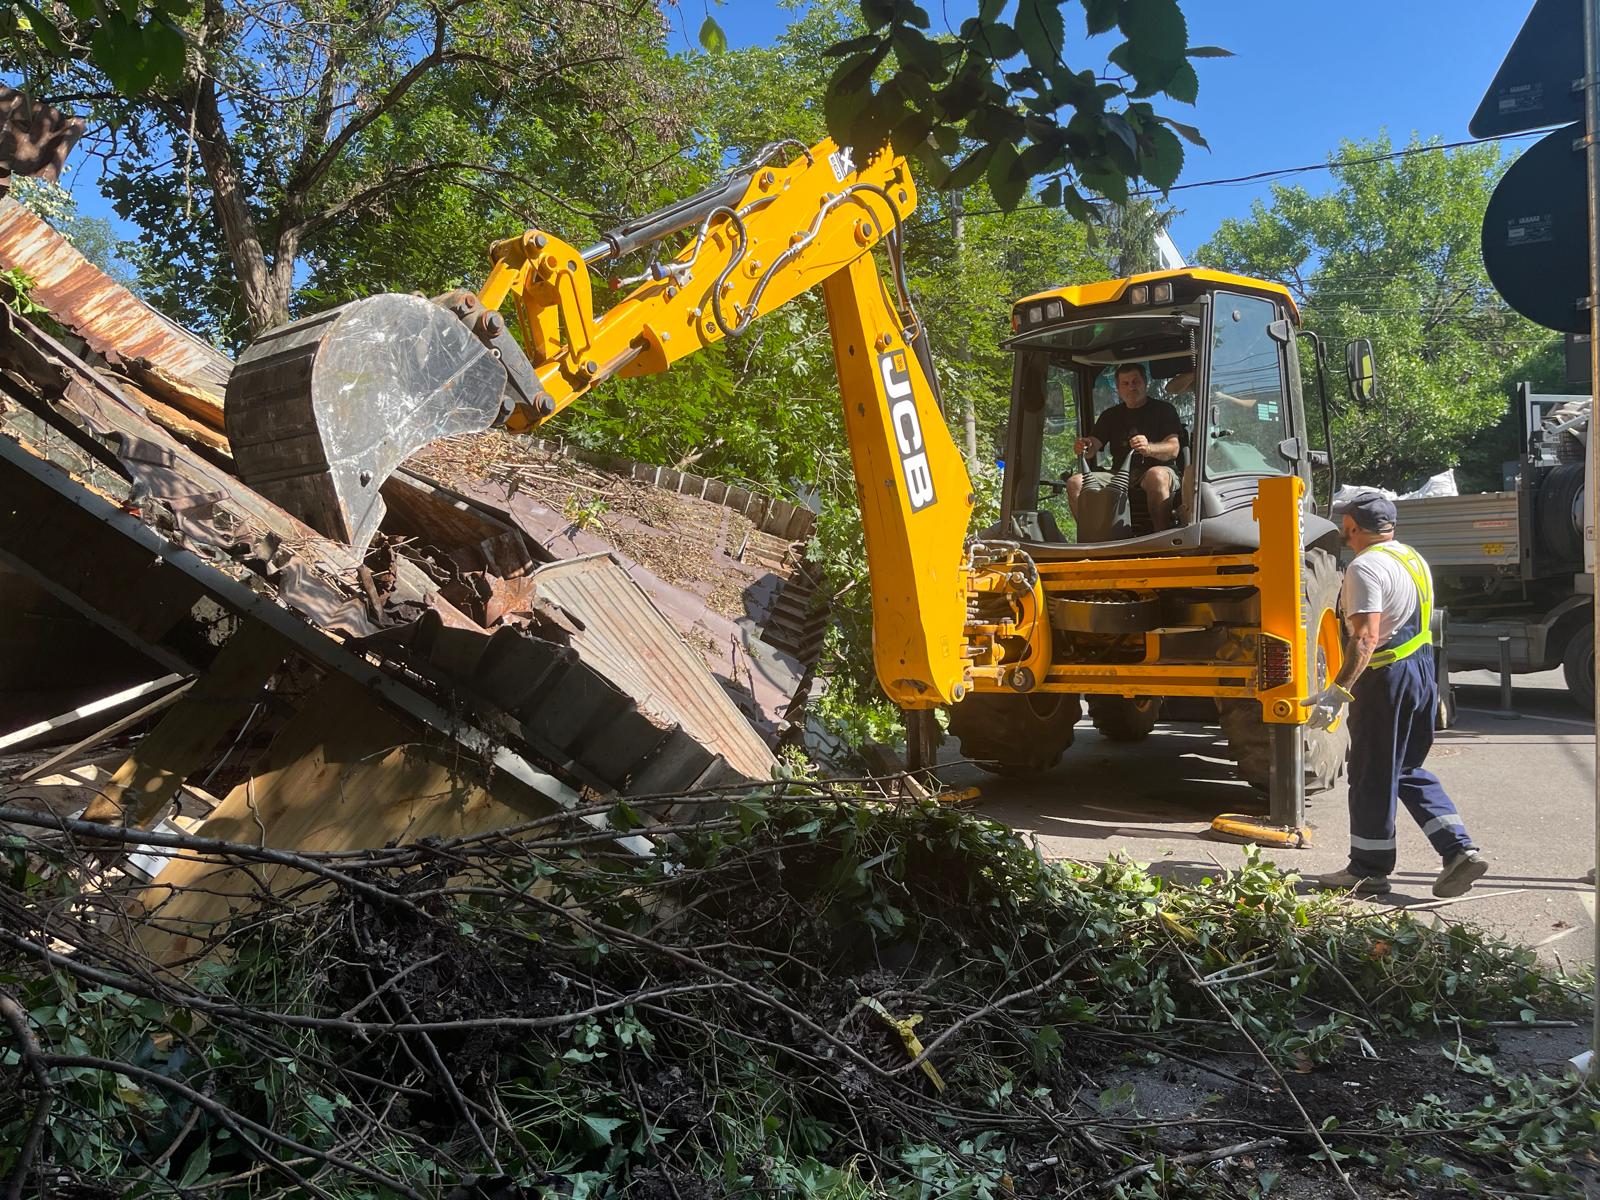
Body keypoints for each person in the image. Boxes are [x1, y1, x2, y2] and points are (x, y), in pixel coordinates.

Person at [1305, 493, 1489, 897]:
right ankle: (1459, 849)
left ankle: (1368, 870)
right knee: (1406, 768)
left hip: (1387, 676)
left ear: (1352, 526)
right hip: (1422, 671)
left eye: (1345, 525)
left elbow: (1366, 637)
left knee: (1372, 773)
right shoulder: (1412, 558)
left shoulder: (1364, 568)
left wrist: (1338, 691)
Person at [1067, 362, 1184, 532]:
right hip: (1120, 475)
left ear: (1145, 383)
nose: (1131, 387)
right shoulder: (1110, 416)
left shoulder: (1164, 410)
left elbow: (1173, 448)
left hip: (1160, 471)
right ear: (1118, 388)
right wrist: (1084, 446)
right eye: (1125, 383)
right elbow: (1091, 448)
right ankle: (1092, 537)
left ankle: (1162, 538)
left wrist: (1149, 448)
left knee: (1155, 476)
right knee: (1075, 483)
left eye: (1135, 382)